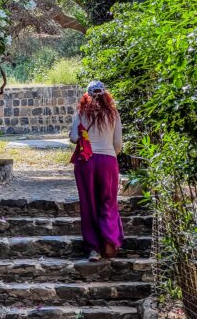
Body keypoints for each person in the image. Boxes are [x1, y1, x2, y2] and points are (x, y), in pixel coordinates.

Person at [69, 80, 123, 262]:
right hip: (108, 161)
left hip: (86, 161)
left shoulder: (81, 113)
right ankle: (109, 240)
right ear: (105, 95)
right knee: (108, 201)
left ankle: (93, 249)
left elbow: (74, 138)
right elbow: (118, 145)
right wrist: (108, 155)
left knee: (88, 203)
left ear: (87, 95)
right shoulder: (113, 114)